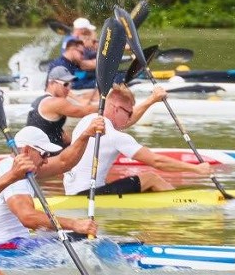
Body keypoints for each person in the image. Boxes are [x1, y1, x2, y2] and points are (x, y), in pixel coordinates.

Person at [64, 82, 210, 195]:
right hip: (87, 196)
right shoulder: (115, 136)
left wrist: (152, 100)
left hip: (73, 192)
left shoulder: (88, 121)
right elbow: (156, 161)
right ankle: (182, 205)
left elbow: (127, 120)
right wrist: (196, 169)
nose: (129, 119)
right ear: (116, 109)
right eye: (128, 113)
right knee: (151, 178)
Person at [0, 123, 106, 250]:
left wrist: (85, 135)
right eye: (44, 154)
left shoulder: (23, 169)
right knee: (85, 241)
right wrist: (75, 224)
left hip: (15, 244)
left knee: (81, 237)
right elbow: (27, 217)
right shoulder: (11, 173)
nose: (45, 160)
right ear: (27, 150)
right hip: (4, 250)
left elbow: (63, 162)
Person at [25, 65, 99, 148]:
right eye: (65, 84)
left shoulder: (39, 100)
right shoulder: (56, 102)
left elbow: (56, 131)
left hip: (38, 150)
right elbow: (85, 111)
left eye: (71, 85)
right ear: (52, 83)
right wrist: (106, 104)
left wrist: (73, 144)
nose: (68, 88)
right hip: (45, 155)